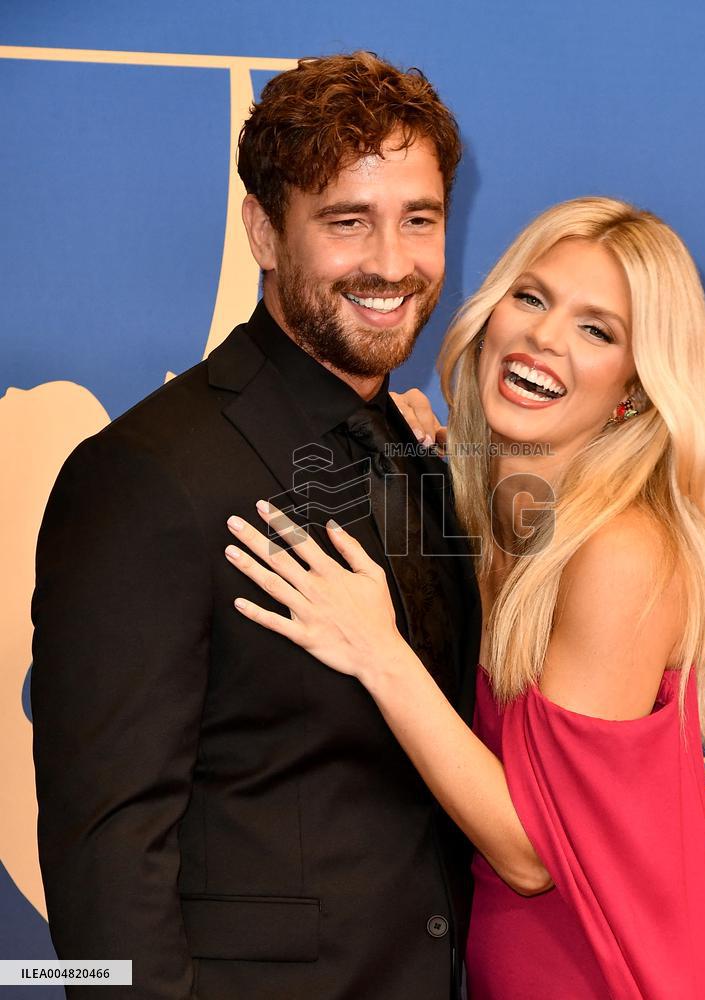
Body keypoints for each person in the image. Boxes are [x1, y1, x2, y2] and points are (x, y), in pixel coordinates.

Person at [31, 52, 480, 1000]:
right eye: (347, 221)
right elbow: (105, 858)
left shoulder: (414, 452)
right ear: (264, 232)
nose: (392, 263)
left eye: (420, 219)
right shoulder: (146, 476)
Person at [224, 196, 705, 998]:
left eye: (597, 330)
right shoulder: (488, 511)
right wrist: (410, 452)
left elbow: (531, 855)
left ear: (636, 391)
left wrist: (377, 651)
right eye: (532, 298)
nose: (545, 337)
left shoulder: (620, 550)